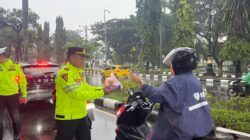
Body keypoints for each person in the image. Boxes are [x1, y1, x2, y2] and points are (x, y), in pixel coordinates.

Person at [131, 47, 215, 140]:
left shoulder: (175, 82)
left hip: (182, 133)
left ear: (177, 65)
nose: (171, 66)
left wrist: (141, 82)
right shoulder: (194, 80)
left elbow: (155, 96)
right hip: (203, 129)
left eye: (171, 63)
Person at [54, 46, 116, 140]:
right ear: (72, 57)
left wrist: (102, 89)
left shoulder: (79, 72)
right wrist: (102, 92)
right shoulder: (64, 74)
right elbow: (77, 94)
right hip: (67, 118)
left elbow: (86, 87)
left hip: (81, 115)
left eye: (84, 58)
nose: (83, 61)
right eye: (81, 58)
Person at [0, 47, 28, 140]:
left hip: (13, 96)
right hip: (0, 97)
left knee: (16, 118)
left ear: (3, 56)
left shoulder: (15, 66)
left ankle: (17, 135)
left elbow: (22, 81)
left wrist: (24, 94)